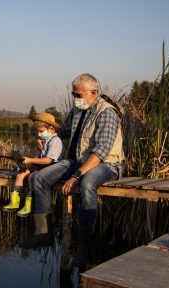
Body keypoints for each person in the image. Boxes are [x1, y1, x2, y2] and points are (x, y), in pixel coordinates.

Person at [31, 73, 124, 265]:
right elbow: (63, 131)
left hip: (107, 164)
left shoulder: (107, 112)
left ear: (93, 92)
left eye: (78, 95)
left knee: (88, 184)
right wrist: (46, 135)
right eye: (74, 94)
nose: (75, 98)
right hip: (77, 161)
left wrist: (76, 176)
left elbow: (101, 151)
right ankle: (43, 233)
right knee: (40, 178)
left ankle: (83, 248)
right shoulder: (76, 111)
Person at [2, 112, 63, 217]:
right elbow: (39, 158)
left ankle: (28, 204)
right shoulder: (44, 141)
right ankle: (14, 202)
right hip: (42, 166)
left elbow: (49, 160)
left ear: (51, 129)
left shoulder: (55, 141)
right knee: (21, 174)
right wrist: (27, 161)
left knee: (31, 177)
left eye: (41, 131)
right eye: (38, 131)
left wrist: (30, 160)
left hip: (53, 168)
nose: (39, 134)